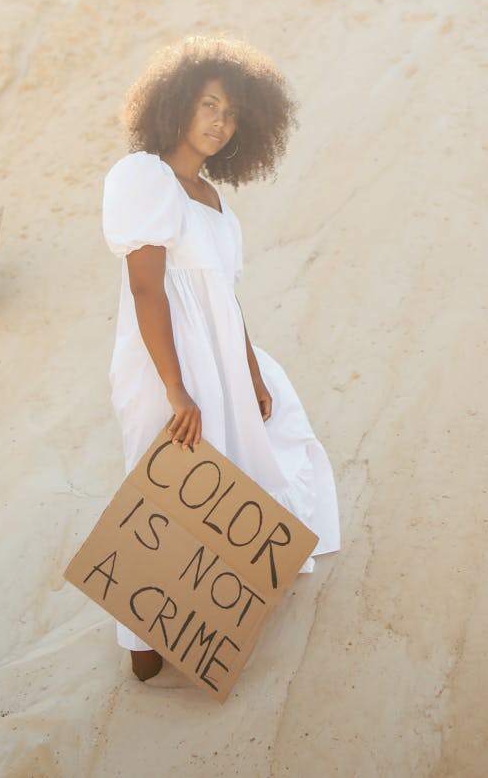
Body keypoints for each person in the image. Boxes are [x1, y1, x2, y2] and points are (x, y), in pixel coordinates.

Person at [102, 36, 340, 683]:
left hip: (222, 360)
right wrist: (176, 389)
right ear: (175, 104)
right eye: (208, 104)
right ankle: (141, 636)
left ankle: (201, 618)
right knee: (159, 486)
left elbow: (225, 301)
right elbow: (147, 289)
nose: (219, 122)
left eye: (231, 114)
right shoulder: (143, 178)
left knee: (232, 470)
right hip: (164, 362)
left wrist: (253, 373)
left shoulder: (216, 203)